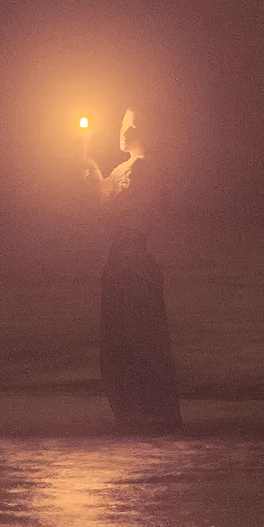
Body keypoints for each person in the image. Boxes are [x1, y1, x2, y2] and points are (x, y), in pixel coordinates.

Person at [89, 109, 182, 433]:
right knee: (123, 337)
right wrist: (92, 173)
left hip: (131, 261)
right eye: (123, 122)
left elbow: (118, 209)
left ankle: (145, 411)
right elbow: (104, 208)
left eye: (129, 125)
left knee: (134, 336)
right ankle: (133, 410)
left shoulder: (143, 169)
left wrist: (96, 181)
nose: (122, 130)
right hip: (122, 258)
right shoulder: (124, 169)